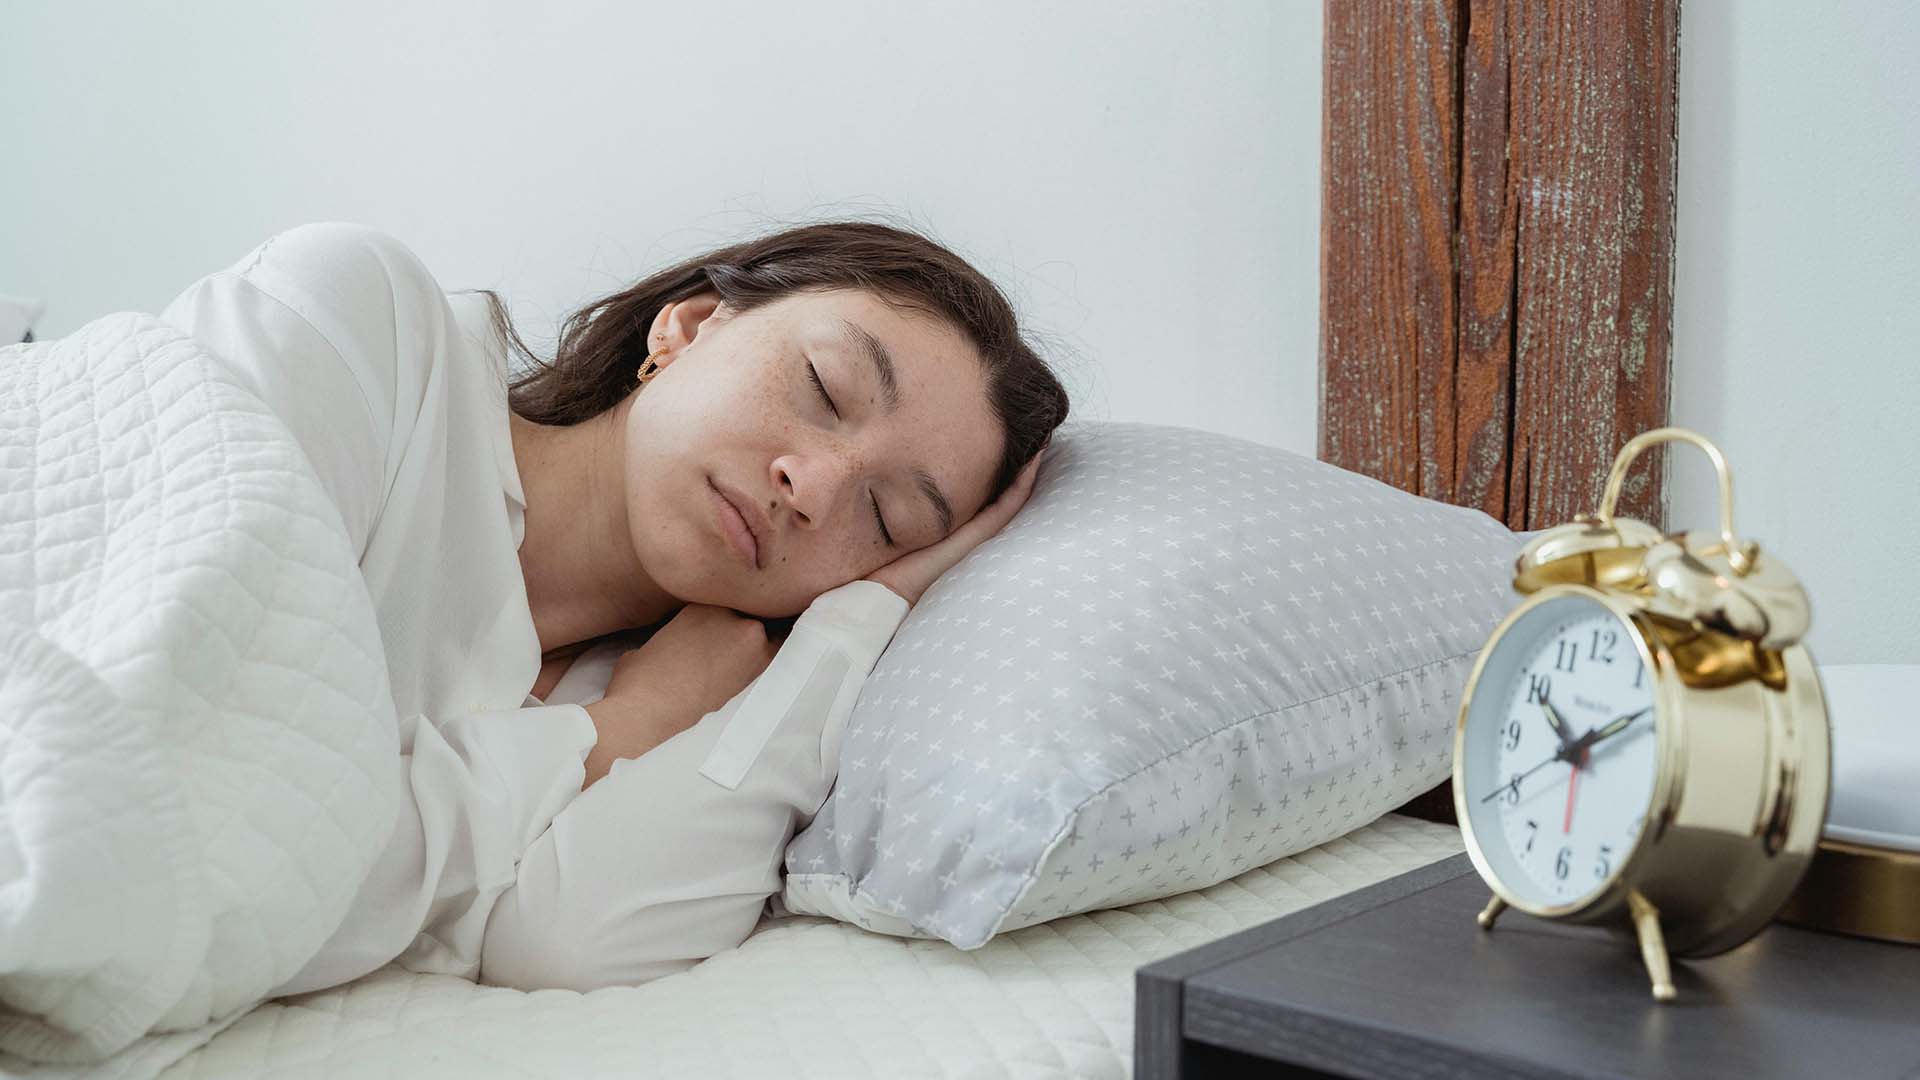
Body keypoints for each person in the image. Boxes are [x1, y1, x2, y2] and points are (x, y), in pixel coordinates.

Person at [156, 220, 1069, 995]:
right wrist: (616, 731)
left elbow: (569, 941)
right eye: (825, 391)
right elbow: (186, 814)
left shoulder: (654, 694)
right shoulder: (367, 330)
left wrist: (845, 633)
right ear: (690, 326)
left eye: (886, 518)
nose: (814, 486)